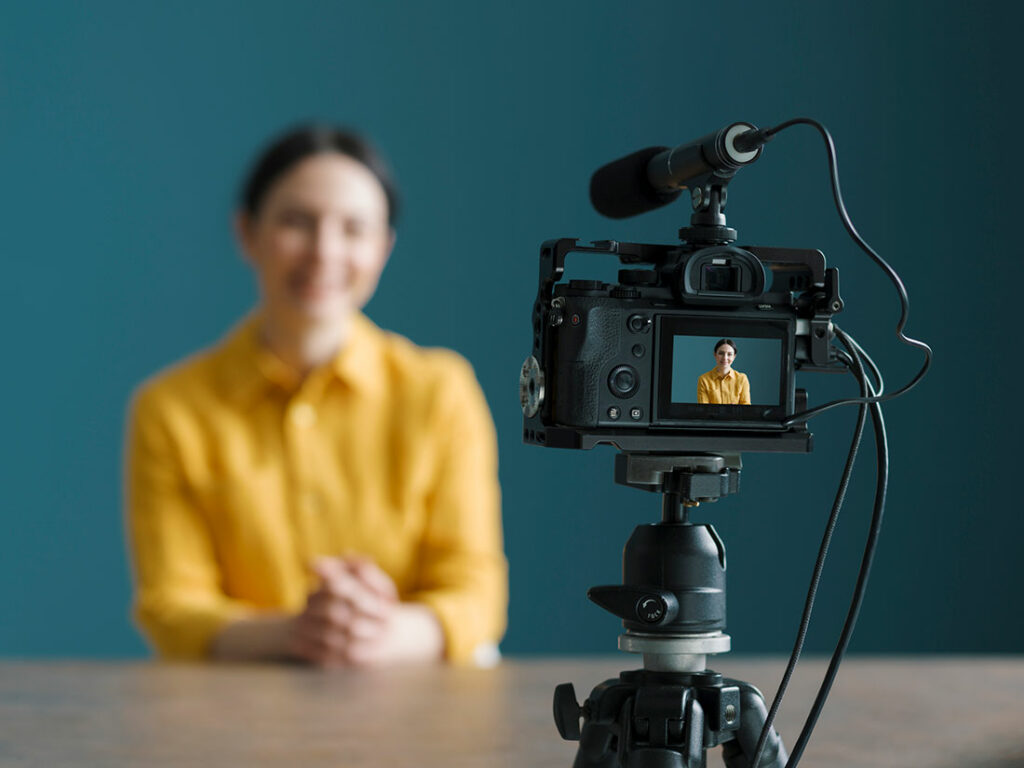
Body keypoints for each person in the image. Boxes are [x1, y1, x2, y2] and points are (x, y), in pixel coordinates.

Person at [125, 126, 507, 667]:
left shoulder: (440, 391)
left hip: (410, 698)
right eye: (296, 222)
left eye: (354, 228)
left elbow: (476, 592)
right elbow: (172, 605)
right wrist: (298, 633)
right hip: (235, 709)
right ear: (247, 233)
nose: (325, 251)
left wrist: (377, 633)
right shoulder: (170, 407)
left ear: (383, 248)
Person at [696, 338, 751, 405]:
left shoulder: (742, 379)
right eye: (721, 353)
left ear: (734, 356)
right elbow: (704, 410)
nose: (725, 358)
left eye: (729, 354)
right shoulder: (704, 380)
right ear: (715, 354)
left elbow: (746, 409)